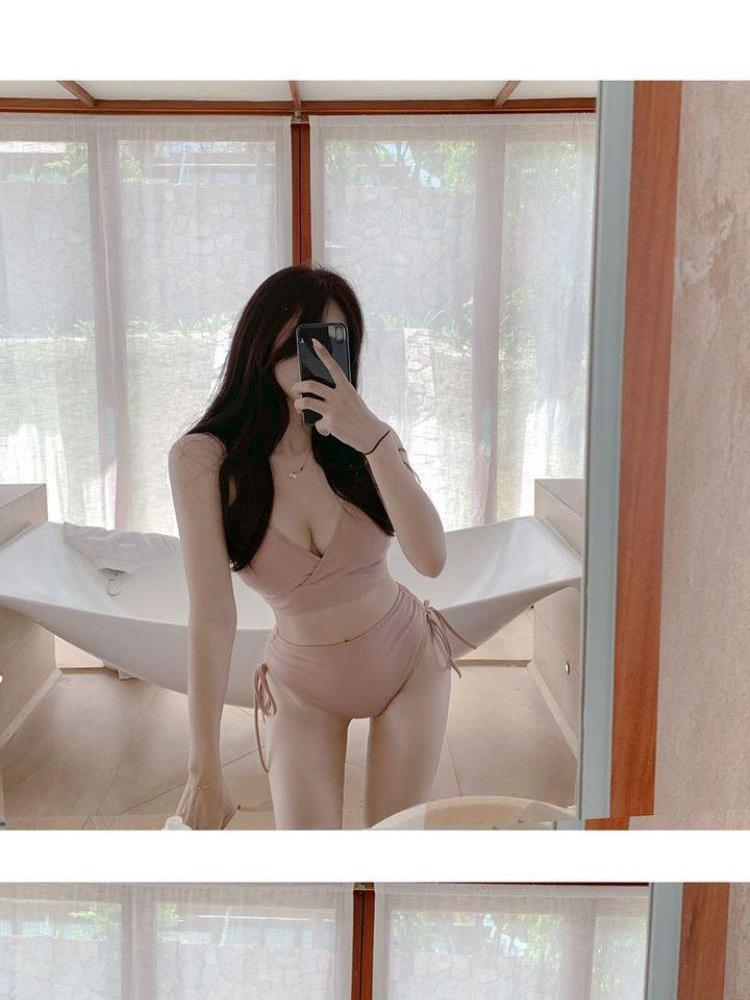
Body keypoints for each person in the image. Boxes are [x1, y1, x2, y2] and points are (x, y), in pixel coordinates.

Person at [167, 262, 474, 829]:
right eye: (300, 339)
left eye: (334, 341)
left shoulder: (367, 440)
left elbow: (432, 559)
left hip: (408, 660)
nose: (316, 358)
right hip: (303, 687)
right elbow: (211, 616)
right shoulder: (203, 460)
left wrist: (374, 439)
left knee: (392, 849)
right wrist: (202, 765)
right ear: (262, 342)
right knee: (311, 864)